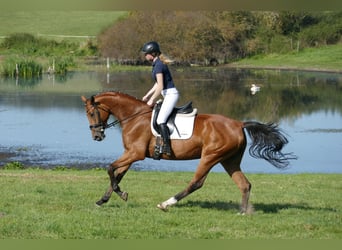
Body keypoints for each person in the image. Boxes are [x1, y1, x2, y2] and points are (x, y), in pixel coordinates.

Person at [141, 41, 179, 156]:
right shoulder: (156, 64)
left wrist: (152, 99)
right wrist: (147, 95)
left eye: (146, 53)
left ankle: (167, 147)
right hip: (166, 94)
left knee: (160, 120)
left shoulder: (158, 65)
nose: (145, 56)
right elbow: (157, 84)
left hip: (170, 94)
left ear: (153, 53)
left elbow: (161, 86)